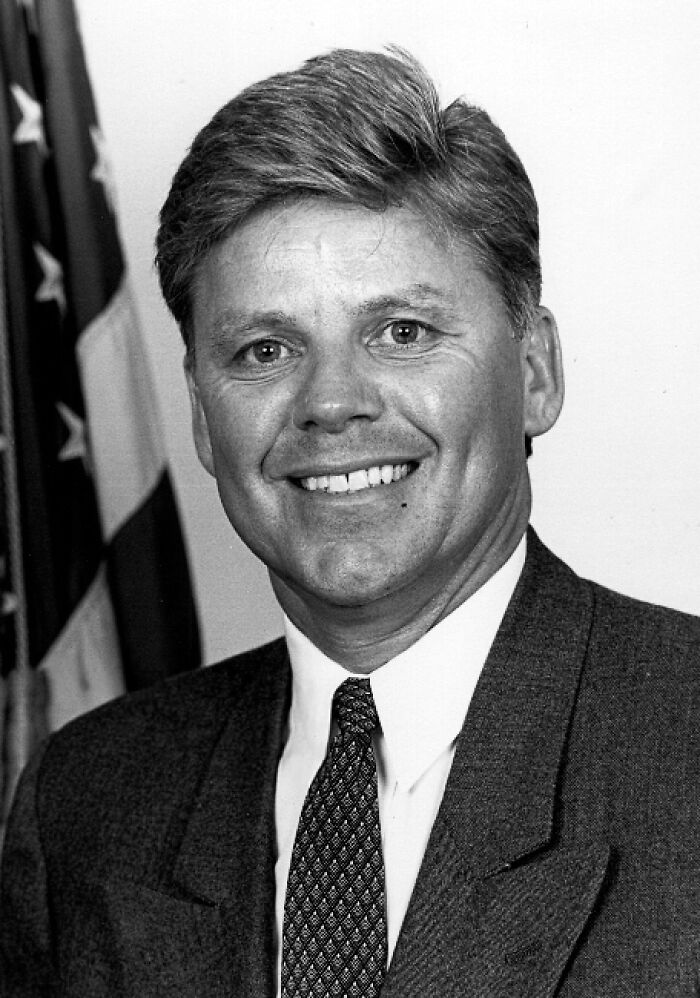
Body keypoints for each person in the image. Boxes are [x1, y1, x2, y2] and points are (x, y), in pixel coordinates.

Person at [2, 47, 700, 998]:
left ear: (535, 372)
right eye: (265, 349)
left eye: (402, 332)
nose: (331, 404)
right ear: (203, 417)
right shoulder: (89, 801)